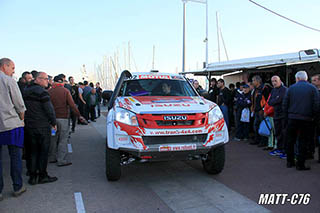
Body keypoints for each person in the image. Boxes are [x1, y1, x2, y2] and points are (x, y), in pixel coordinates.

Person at [24, 72, 58, 185]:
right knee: (43, 151)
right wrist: (53, 122)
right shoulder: (42, 93)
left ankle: (32, 176)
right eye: (45, 79)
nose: (47, 81)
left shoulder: (26, 90)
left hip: (29, 125)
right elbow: (49, 109)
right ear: (38, 79)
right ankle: (42, 175)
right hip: (41, 125)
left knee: (32, 151)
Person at [0, 58, 27, 200]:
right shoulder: (9, 81)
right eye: (12, 68)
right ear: (5, 66)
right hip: (11, 124)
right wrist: (22, 118)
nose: (14, 71)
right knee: (15, 156)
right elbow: (19, 103)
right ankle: (17, 186)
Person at [283, 71, 319, 170]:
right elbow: (316, 105)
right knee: (303, 141)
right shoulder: (313, 89)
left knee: (290, 141)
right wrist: (314, 118)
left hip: (292, 118)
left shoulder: (290, 88)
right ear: (306, 78)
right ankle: (300, 164)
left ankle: (289, 162)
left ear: (297, 78)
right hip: (306, 119)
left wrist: (286, 118)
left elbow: (285, 104)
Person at [48, 76, 85, 166]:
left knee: (53, 138)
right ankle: (61, 160)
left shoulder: (48, 92)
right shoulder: (65, 91)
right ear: (61, 82)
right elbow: (72, 105)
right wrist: (79, 115)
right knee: (63, 139)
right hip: (63, 119)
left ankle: (52, 157)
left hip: (52, 121)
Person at [268, 76, 288, 158]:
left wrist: (275, 100)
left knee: (284, 133)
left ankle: (285, 150)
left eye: (276, 81)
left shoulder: (284, 90)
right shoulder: (273, 90)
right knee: (278, 133)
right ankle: (279, 149)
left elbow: (279, 100)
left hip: (283, 115)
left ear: (280, 81)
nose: (274, 83)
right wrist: (275, 100)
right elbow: (270, 102)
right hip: (276, 115)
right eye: (272, 81)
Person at [250, 75, 271, 147]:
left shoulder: (264, 88)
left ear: (257, 81)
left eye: (253, 80)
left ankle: (263, 141)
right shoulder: (255, 89)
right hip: (256, 110)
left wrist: (264, 109)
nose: (252, 82)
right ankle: (257, 139)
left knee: (263, 126)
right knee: (256, 126)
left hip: (262, 111)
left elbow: (267, 100)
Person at [311, 74, 320, 163]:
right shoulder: (313, 91)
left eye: (314, 80)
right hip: (313, 118)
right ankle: (311, 152)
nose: (312, 82)